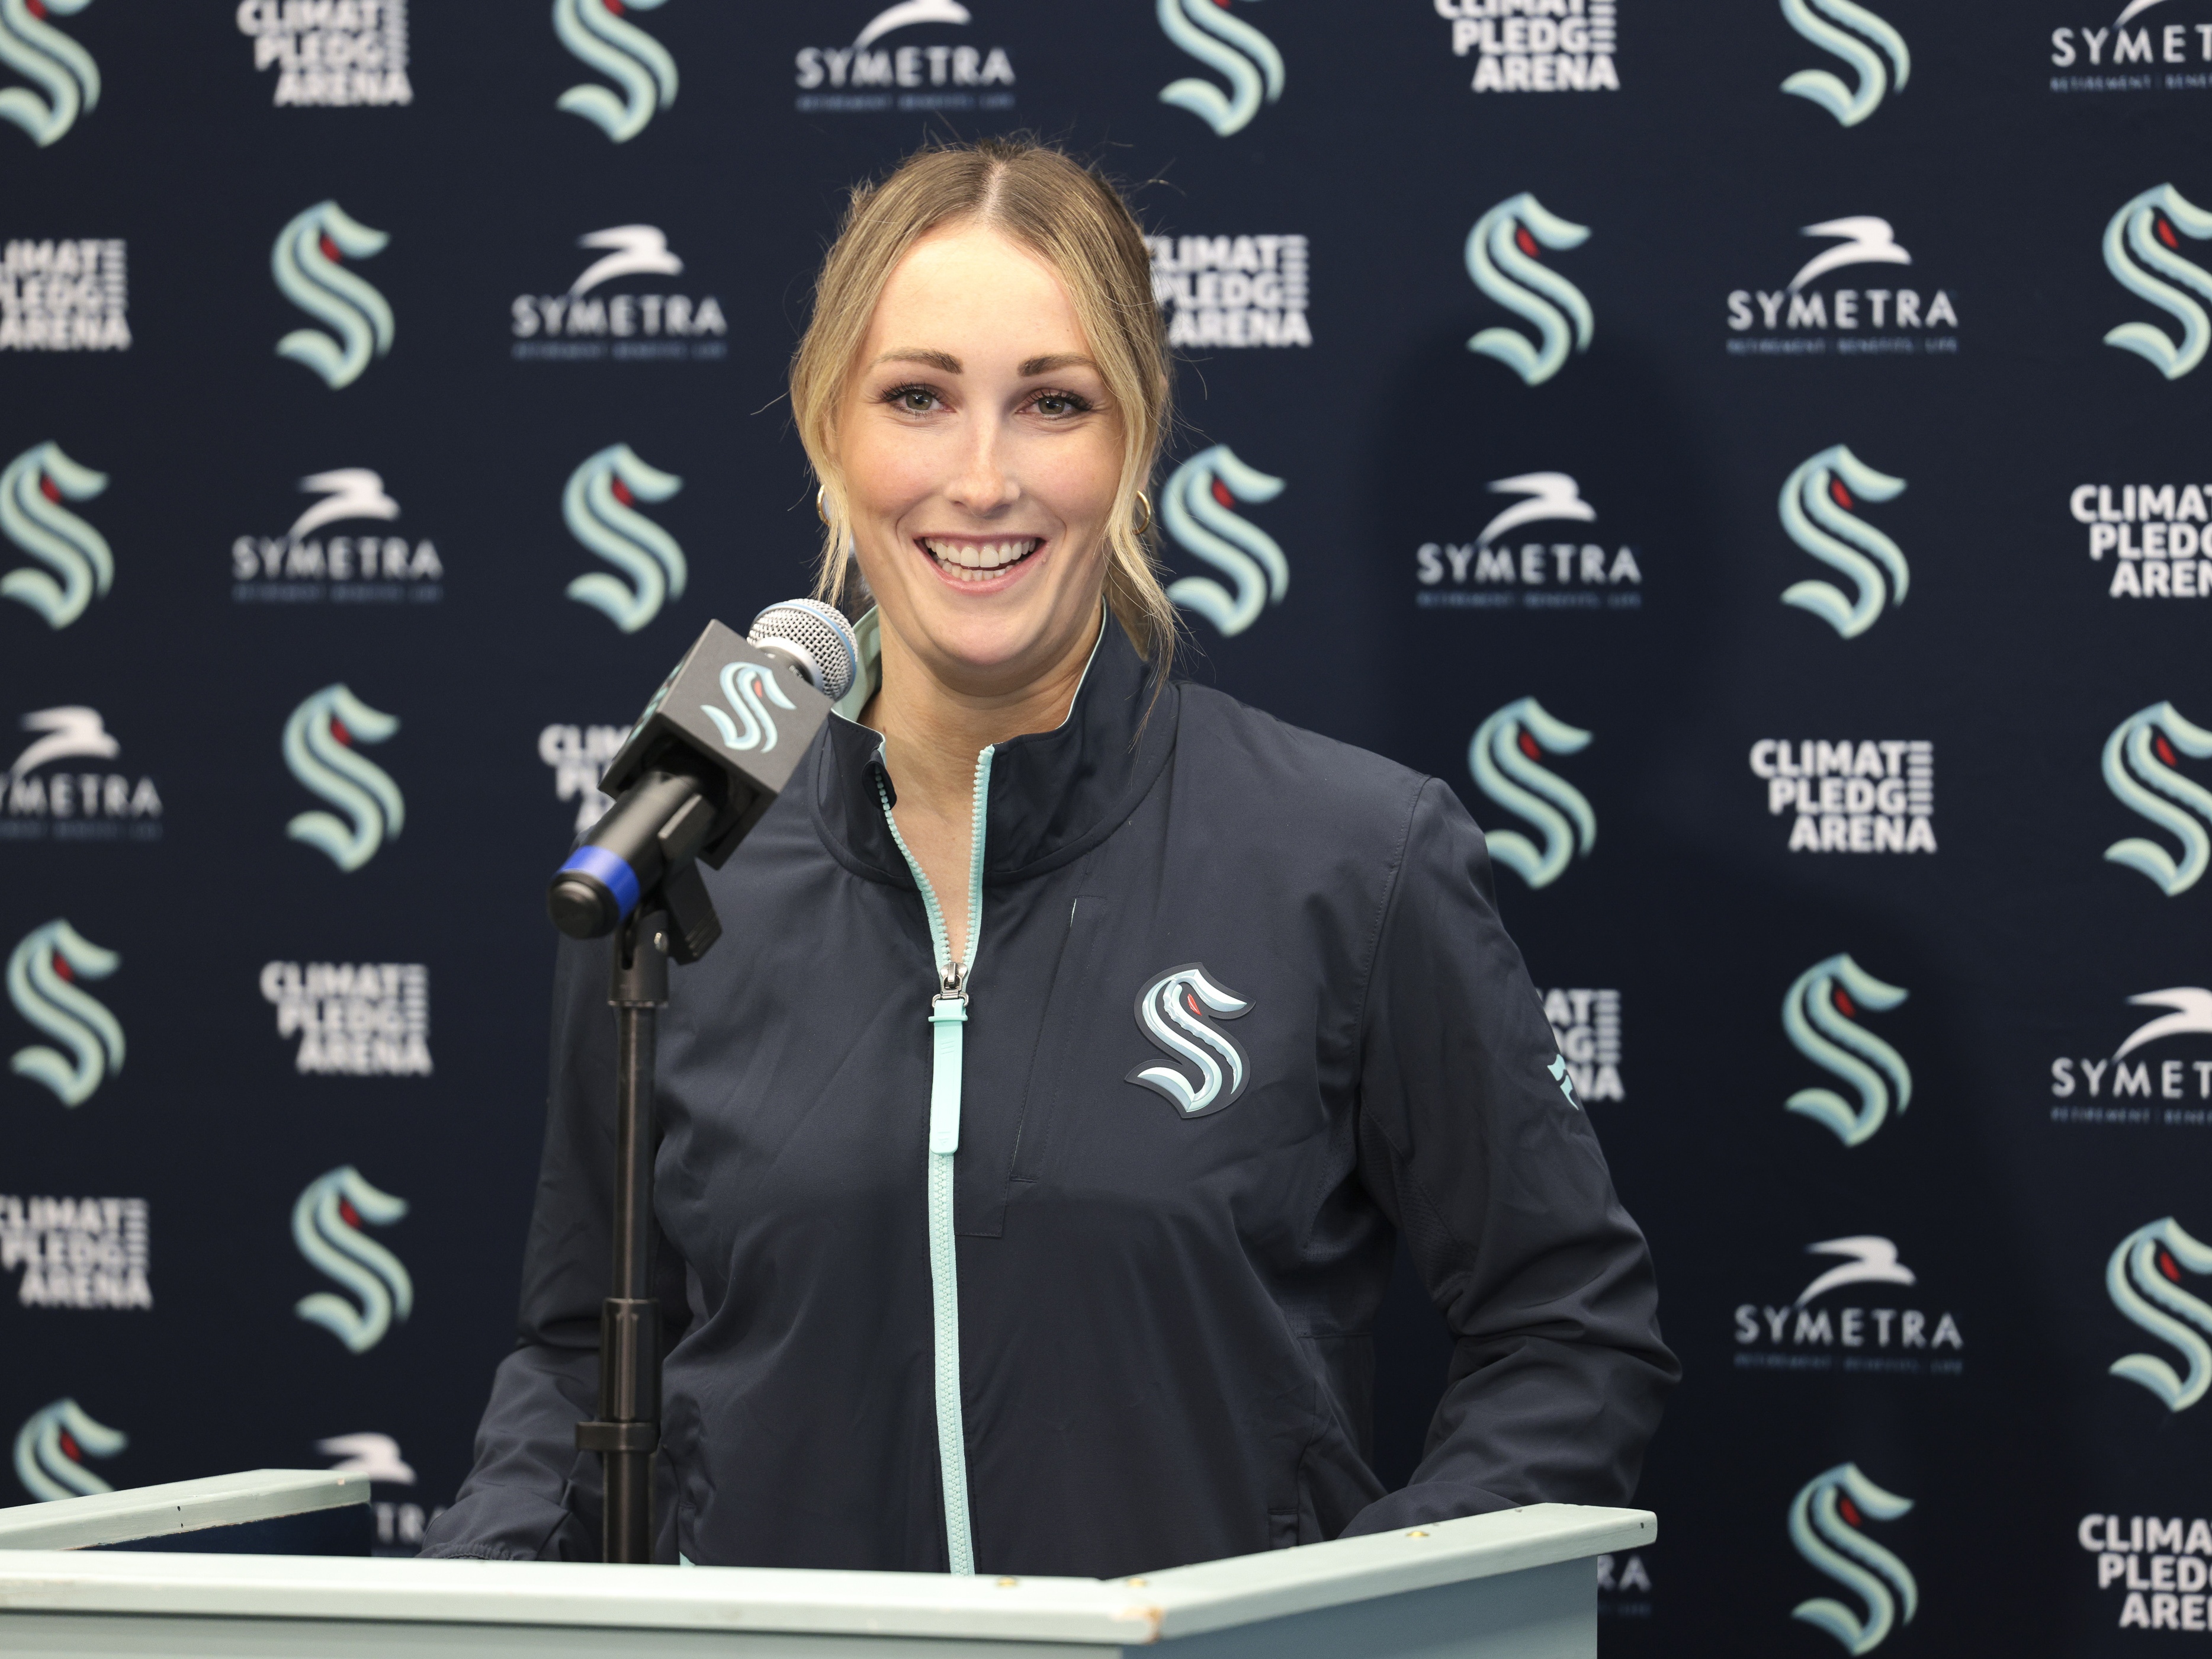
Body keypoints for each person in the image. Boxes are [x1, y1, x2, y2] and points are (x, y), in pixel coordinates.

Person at [422, 137, 1676, 1576]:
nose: (981, 475)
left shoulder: (1350, 857)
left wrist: (1339, 1618)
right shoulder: (686, 831)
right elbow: (581, 1350)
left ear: (1134, 441)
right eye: (917, 398)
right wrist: (484, 1593)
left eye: (1052, 404)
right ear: (830, 433)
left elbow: (1568, 1331)